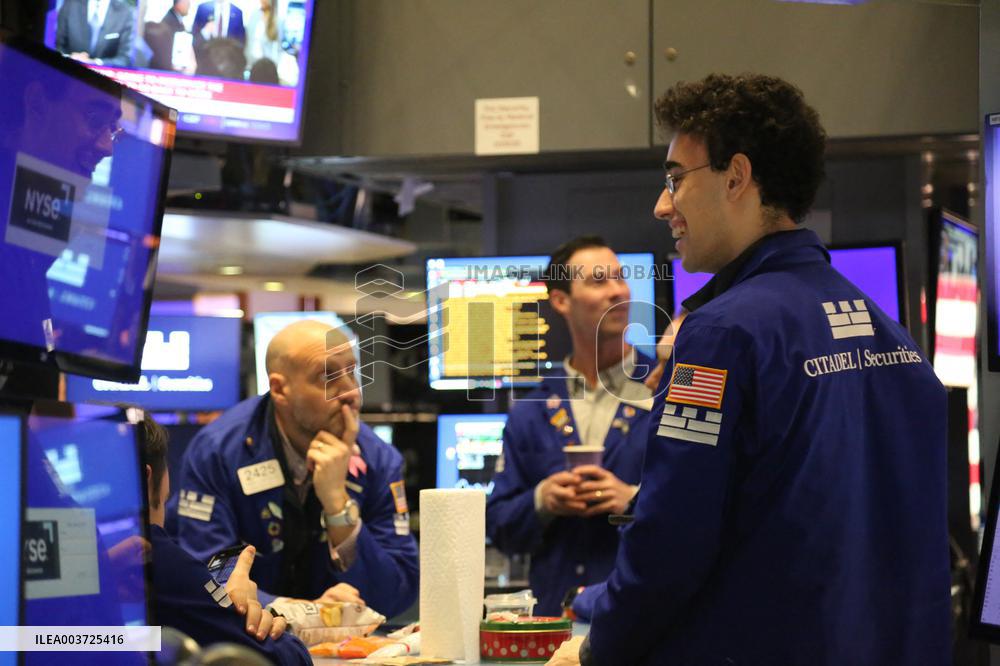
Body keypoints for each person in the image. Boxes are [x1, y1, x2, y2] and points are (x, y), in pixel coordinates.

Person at [550, 73, 951, 666]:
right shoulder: (891, 335)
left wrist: (596, 647)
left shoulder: (721, 334)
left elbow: (671, 542)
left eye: (675, 179)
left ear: (736, 176)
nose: (662, 205)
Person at [168, 320, 418, 618]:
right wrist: (302, 613)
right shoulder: (218, 451)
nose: (351, 392)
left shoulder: (379, 460)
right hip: (251, 645)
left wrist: (338, 506)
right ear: (279, 388)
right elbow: (207, 576)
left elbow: (398, 594)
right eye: (327, 377)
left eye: (352, 372)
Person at [486, 237, 657, 616]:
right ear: (562, 301)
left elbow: (702, 506)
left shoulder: (664, 388)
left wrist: (632, 499)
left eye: (620, 278)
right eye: (598, 281)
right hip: (554, 623)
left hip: (645, 618)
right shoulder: (531, 410)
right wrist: (542, 500)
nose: (617, 292)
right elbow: (498, 526)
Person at [139, 412, 311, 665]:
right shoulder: (152, 553)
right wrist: (235, 605)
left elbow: (69, 639)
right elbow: (288, 659)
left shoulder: (79, 552)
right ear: (148, 478)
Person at [56, 0, 136, 67]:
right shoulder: (70, 5)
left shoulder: (126, 12)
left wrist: (96, 63)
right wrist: (70, 58)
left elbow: (125, 59)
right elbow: (57, 47)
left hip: (105, 81)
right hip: (70, 74)